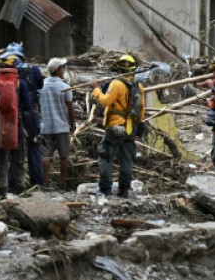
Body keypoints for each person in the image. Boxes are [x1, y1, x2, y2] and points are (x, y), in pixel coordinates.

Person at [89, 53, 144, 198]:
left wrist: (96, 89)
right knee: (127, 160)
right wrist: (139, 130)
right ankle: (124, 191)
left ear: (119, 69)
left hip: (115, 127)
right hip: (130, 128)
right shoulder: (139, 86)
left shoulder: (116, 84)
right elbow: (141, 110)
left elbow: (105, 101)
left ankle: (105, 189)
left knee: (106, 157)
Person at [0, 53, 32, 198]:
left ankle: (2, 189)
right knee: (18, 156)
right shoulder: (20, 84)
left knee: (1, 158)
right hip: (16, 122)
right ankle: (19, 186)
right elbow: (27, 105)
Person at [4, 42, 46, 188]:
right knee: (34, 146)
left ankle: (13, 183)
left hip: (11, 114)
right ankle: (37, 183)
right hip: (31, 113)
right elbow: (40, 85)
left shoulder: (5, 72)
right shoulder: (33, 69)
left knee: (14, 149)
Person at [39, 57, 76, 190]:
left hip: (45, 126)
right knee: (63, 156)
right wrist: (72, 124)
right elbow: (70, 109)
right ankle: (62, 184)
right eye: (63, 68)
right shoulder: (65, 87)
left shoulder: (41, 86)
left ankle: (45, 183)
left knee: (45, 155)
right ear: (58, 70)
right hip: (62, 126)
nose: (64, 70)